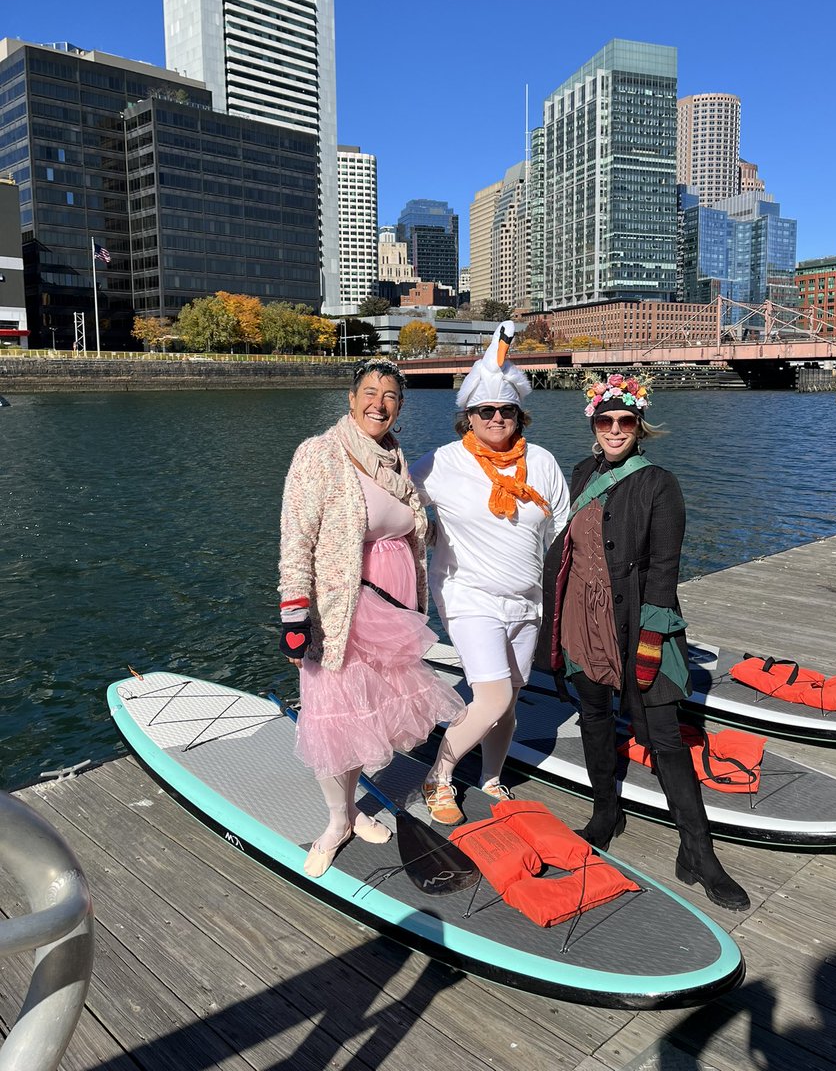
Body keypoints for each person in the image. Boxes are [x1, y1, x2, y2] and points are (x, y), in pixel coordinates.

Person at [537, 373, 750, 911]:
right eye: (605, 420)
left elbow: (664, 570)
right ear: (593, 423)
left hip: (638, 626)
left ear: (638, 426)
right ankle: (606, 812)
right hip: (581, 623)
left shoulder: (660, 483)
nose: (614, 429)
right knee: (594, 718)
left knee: (665, 737)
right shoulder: (582, 472)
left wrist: (653, 640)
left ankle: (698, 851)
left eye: (624, 421)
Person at [278, 357, 465, 877]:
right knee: (332, 717)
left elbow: (408, 524)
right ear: (350, 398)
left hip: (394, 608)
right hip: (344, 610)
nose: (378, 402)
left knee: (369, 717)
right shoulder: (321, 454)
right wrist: (294, 615)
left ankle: (353, 806)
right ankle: (337, 820)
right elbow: (297, 538)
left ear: (400, 408)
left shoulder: (395, 458)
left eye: (390, 395)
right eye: (369, 391)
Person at [411, 322, 569, 824]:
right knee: (492, 693)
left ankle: (492, 776)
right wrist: (424, 530)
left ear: (520, 414)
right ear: (468, 417)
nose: (497, 418)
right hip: (468, 593)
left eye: (506, 410)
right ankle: (439, 775)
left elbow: (559, 531)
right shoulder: (441, 462)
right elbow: (395, 500)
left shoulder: (542, 463)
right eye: (485, 411)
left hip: (527, 599)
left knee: (511, 697)